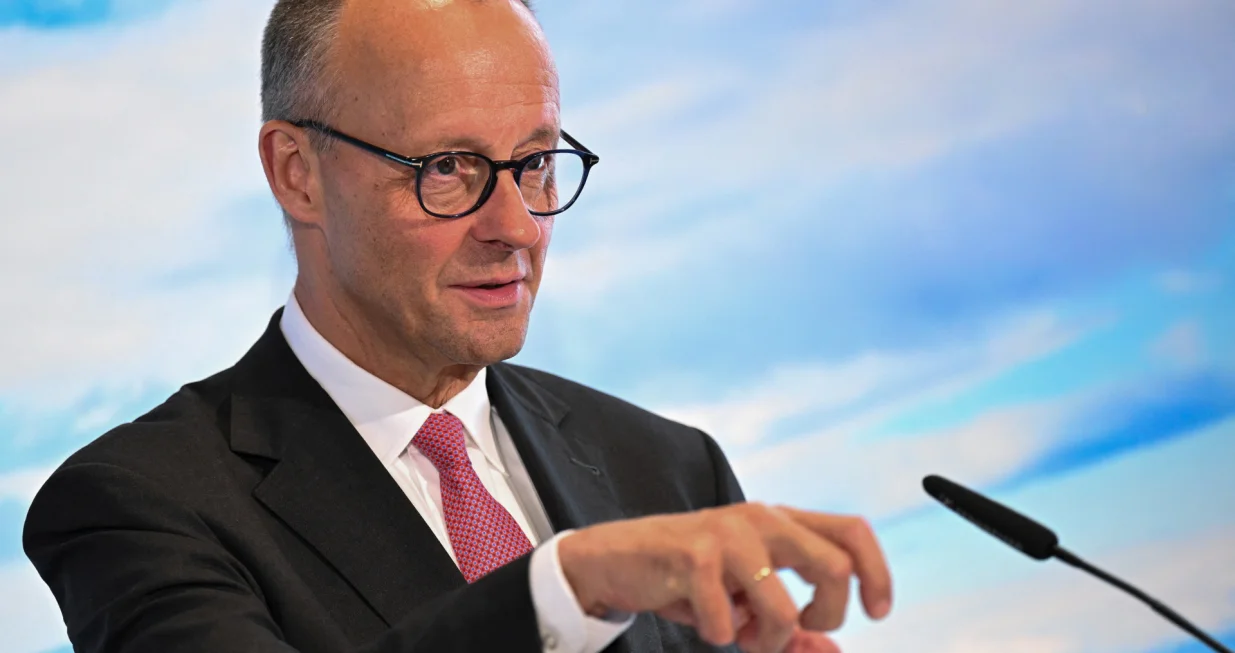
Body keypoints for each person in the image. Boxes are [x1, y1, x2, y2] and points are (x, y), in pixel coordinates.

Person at [22, 1, 893, 652]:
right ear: (297, 173)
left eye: (536, 161)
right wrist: (563, 588)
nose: (517, 226)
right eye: (447, 167)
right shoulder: (135, 503)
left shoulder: (668, 465)